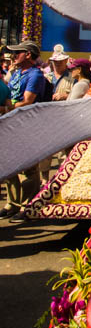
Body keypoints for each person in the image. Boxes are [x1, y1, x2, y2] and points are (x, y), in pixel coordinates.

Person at [1, 40, 47, 217]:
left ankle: (28, 207)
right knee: (8, 164)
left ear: (28, 54)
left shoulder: (35, 75)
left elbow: (27, 101)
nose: (13, 56)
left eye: (17, 52)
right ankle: (12, 203)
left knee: (27, 166)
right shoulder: (18, 73)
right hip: (12, 123)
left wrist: (5, 108)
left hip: (27, 124)